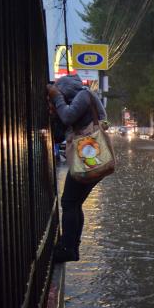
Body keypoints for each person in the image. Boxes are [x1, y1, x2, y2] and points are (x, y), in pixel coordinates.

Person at [47, 74, 107, 262]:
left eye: (60, 93)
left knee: (69, 202)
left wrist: (56, 97)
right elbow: (58, 134)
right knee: (74, 203)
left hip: (89, 156)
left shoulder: (83, 94)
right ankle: (72, 247)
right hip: (88, 156)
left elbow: (67, 116)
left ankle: (68, 248)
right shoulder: (76, 99)